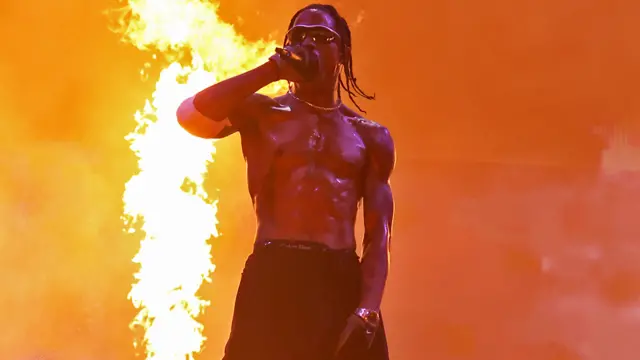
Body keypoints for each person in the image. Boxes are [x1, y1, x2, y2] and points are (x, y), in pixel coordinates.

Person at [176, 3, 394, 359]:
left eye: (322, 37)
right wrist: (272, 69)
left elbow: (378, 234)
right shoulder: (262, 113)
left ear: (342, 53)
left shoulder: (369, 137)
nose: (308, 43)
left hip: (338, 278)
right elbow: (191, 115)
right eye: (298, 35)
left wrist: (367, 309)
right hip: (274, 272)